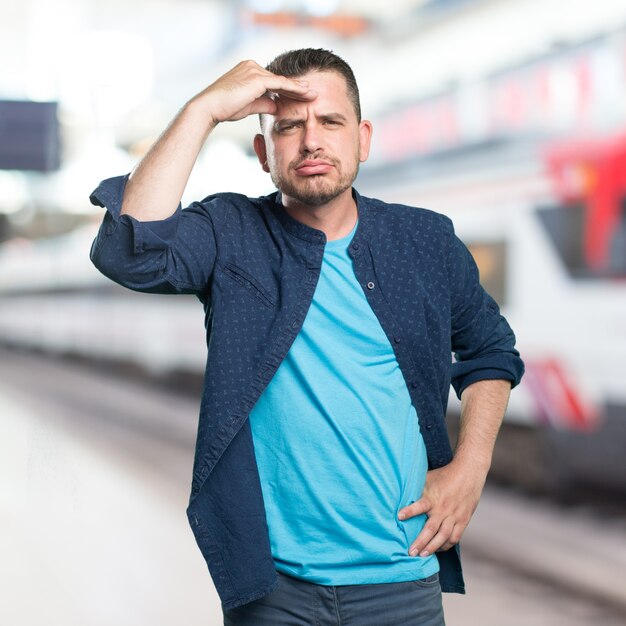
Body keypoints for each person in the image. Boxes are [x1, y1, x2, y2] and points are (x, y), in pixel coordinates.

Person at [89, 48, 524, 625]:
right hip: (272, 587)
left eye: (331, 122)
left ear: (362, 139)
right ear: (265, 152)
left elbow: (490, 350)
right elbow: (129, 253)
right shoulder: (230, 231)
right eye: (290, 127)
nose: (311, 141)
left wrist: (470, 468)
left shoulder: (425, 240)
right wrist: (202, 110)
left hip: (402, 577)